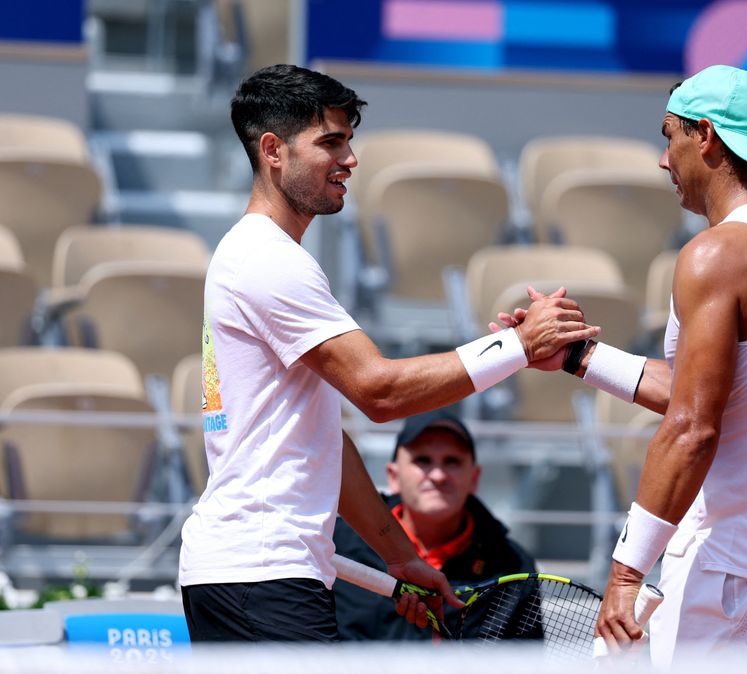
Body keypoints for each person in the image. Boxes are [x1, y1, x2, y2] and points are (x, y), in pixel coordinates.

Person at [178, 63, 599, 642]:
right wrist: (520, 345)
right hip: (262, 576)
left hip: (257, 574)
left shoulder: (258, 255)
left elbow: (326, 444)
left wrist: (400, 556)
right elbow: (379, 391)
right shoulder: (268, 259)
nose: (350, 159)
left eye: (349, 141)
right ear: (273, 150)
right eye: (331, 142)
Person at [498, 65, 747, 667]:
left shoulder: (717, 254)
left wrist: (625, 573)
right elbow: (712, 395)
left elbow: (692, 426)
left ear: (705, 136)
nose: (663, 160)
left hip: (738, 571)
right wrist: (579, 356)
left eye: (669, 135)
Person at [333, 408, 540, 641]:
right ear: (393, 476)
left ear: (474, 478)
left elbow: (525, 656)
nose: (438, 475)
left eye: (452, 461)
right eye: (423, 460)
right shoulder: (335, 543)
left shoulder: (513, 563)